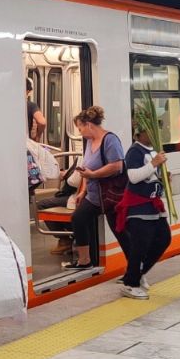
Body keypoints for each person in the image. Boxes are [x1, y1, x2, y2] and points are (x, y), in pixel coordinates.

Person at [66, 106, 129, 269]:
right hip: (95, 196)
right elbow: (87, 168)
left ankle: (136, 267)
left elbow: (117, 166)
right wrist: (83, 191)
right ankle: (85, 260)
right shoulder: (89, 142)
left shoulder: (110, 140)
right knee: (78, 218)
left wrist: (93, 175)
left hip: (111, 196)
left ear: (89, 125)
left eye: (80, 128)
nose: (80, 132)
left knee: (120, 231)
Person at [114, 123, 171, 300]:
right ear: (140, 133)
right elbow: (133, 176)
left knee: (163, 239)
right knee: (140, 245)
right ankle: (130, 284)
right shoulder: (135, 151)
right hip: (138, 207)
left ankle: (138, 272)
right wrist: (154, 163)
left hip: (154, 205)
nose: (156, 133)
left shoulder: (154, 150)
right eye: (152, 129)